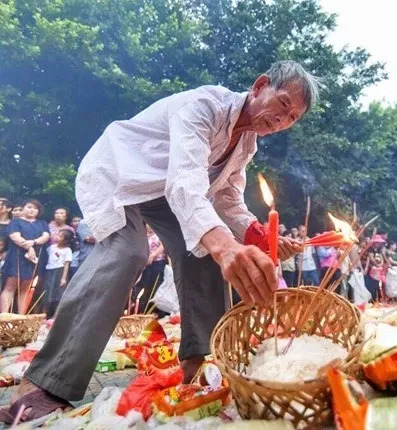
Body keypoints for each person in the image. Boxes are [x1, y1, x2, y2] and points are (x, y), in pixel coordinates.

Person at [2, 60, 315, 422]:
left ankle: (198, 366)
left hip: (165, 192)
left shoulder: (246, 144)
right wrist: (226, 246)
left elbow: (227, 197)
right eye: (282, 105)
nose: (282, 120)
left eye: (292, 117)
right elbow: (184, 183)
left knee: (202, 249)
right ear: (260, 86)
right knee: (128, 251)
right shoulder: (203, 107)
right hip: (119, 173)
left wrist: (257, 235)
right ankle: (45, 381)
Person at [0, 200, 50, 313]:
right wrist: (29, 247)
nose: (32, 210)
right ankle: (4, 316)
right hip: (17, 257)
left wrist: (33, 243)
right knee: (10, 286)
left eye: (35, 208)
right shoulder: (15, 222)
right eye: (29, 207)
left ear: (38, 211)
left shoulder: (42, 223)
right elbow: (15, 236)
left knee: (25, 289)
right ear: (23, 208)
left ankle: (21, 317)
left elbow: (46, 236)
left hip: (34, 259)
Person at [133, 224, 169, 315]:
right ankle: (144, 313)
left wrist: (153, 255)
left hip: (158, 263)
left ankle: (159, 313)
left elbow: (164, 245)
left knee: (157, 287)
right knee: (144, 288)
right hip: (144, 266)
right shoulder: (141, 235)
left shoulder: (159, 232)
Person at [43, 230, 74, 317]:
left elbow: (66, 264)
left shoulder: (67, 250)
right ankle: (43, 314)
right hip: (49, 270)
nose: (57, 237)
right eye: (58, 235)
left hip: (59, 271)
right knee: (47, 292)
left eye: (60, 236)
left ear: (66, 240)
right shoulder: (52, 247)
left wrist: (63, 278)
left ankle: (55, 316)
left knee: (58, 294)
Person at [364, 235, 386, 300]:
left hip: (378, 271)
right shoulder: (370, 249)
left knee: (377, 284)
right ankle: (371, 299)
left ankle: (377, 298)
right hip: (371, 270)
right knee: (371, 285)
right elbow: (371, 258)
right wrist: (376, 264)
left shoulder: (379, 250)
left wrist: (381, 264)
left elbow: (381, 258)